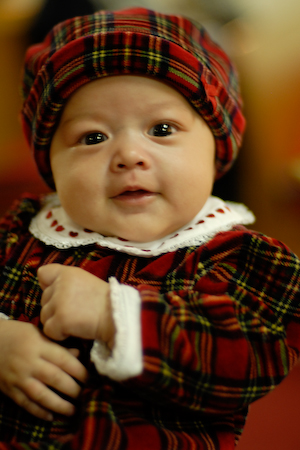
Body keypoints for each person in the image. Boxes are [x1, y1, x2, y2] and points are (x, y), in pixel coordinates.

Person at [0, 7, 299, 450]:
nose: (128, 155)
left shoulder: (239, 259)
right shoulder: (21, 233)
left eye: (161, 129)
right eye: (92, 137)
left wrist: (112, 316)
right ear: (51, 166)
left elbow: (249, 358)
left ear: (216, 154)